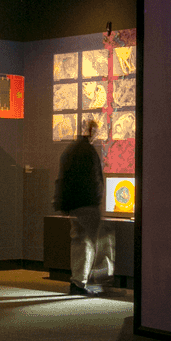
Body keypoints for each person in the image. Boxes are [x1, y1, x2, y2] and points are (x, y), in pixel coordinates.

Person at [56, 119, 112, 296]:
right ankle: (85, 282)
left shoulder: (71, 150)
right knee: (92, 242)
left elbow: (63, 179)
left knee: (80, 241)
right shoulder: (87, 151)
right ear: (91, 131)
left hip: (75, 205)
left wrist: (64, 204)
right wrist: (97, 199)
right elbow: (93, 180)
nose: (96, 134)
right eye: (96, 131)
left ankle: (79, 281)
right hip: (87, 204)